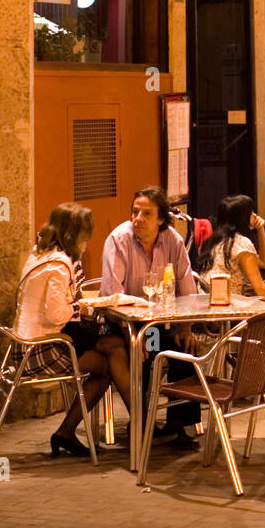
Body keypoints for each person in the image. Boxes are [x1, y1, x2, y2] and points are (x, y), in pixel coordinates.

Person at [13, 203, 131, 458]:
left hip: (28, 340)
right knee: (114, 358)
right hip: (42, 348)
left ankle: (68, 433)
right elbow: (56, 314)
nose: (87, 240)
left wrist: (76, 305)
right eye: (85, 233)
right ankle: (141, 425)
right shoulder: (58, 265)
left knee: (114, 348)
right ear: (74, 234)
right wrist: (80, 305)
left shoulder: (40, 253)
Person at [101, 186, 200, 446]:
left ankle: (177, 425)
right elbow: (114, 297)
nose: (138, 219)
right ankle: (142, 424)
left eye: (147, 214)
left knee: (185, 352)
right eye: (135, 212)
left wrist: (187, 328)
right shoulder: (118, 240)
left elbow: (187, 289)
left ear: (160, 219)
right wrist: (135, 335)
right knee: (144, 356)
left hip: (160, 323)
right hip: (124, 325)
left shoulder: (173, 241)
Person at [197, 195, 265, 304]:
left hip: (211, 304)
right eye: (251, 212)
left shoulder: (215, 241)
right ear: (242, 218)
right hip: (233, 308)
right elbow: (261, 290)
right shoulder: (242, 244)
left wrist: (261, 229)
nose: (255, 216)